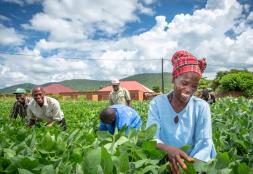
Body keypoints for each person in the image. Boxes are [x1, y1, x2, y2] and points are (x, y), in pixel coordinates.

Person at [146, 50, 216, 174]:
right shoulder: (157, 103)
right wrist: (167, 149)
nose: (188, 90)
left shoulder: (202, 106)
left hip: (194, 163)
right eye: (184, 83)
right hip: (164, 161)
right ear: (174, 79)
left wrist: (188, 168)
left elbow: (204, 143)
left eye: (194, 86)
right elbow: (151, 137)